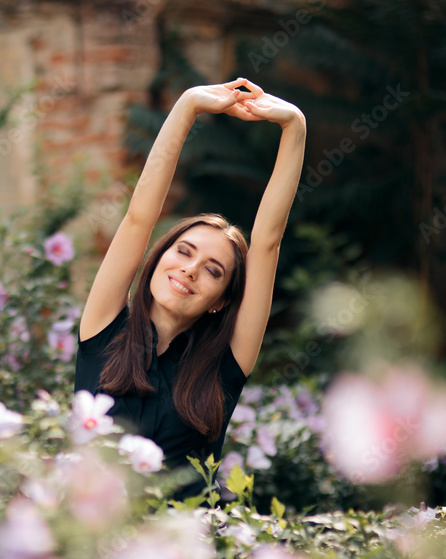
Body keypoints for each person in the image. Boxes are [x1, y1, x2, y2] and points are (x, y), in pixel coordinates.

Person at [74, 78, 306, 498]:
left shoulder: (225, 367)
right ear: (160, 257)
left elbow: (268, 241)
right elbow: (139, 216)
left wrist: (295, 126)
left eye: (214, 271)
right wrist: (188, 106)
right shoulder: (104, 330)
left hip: (190, 554)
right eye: (183, 251)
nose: (190, 270)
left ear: (221, 302)